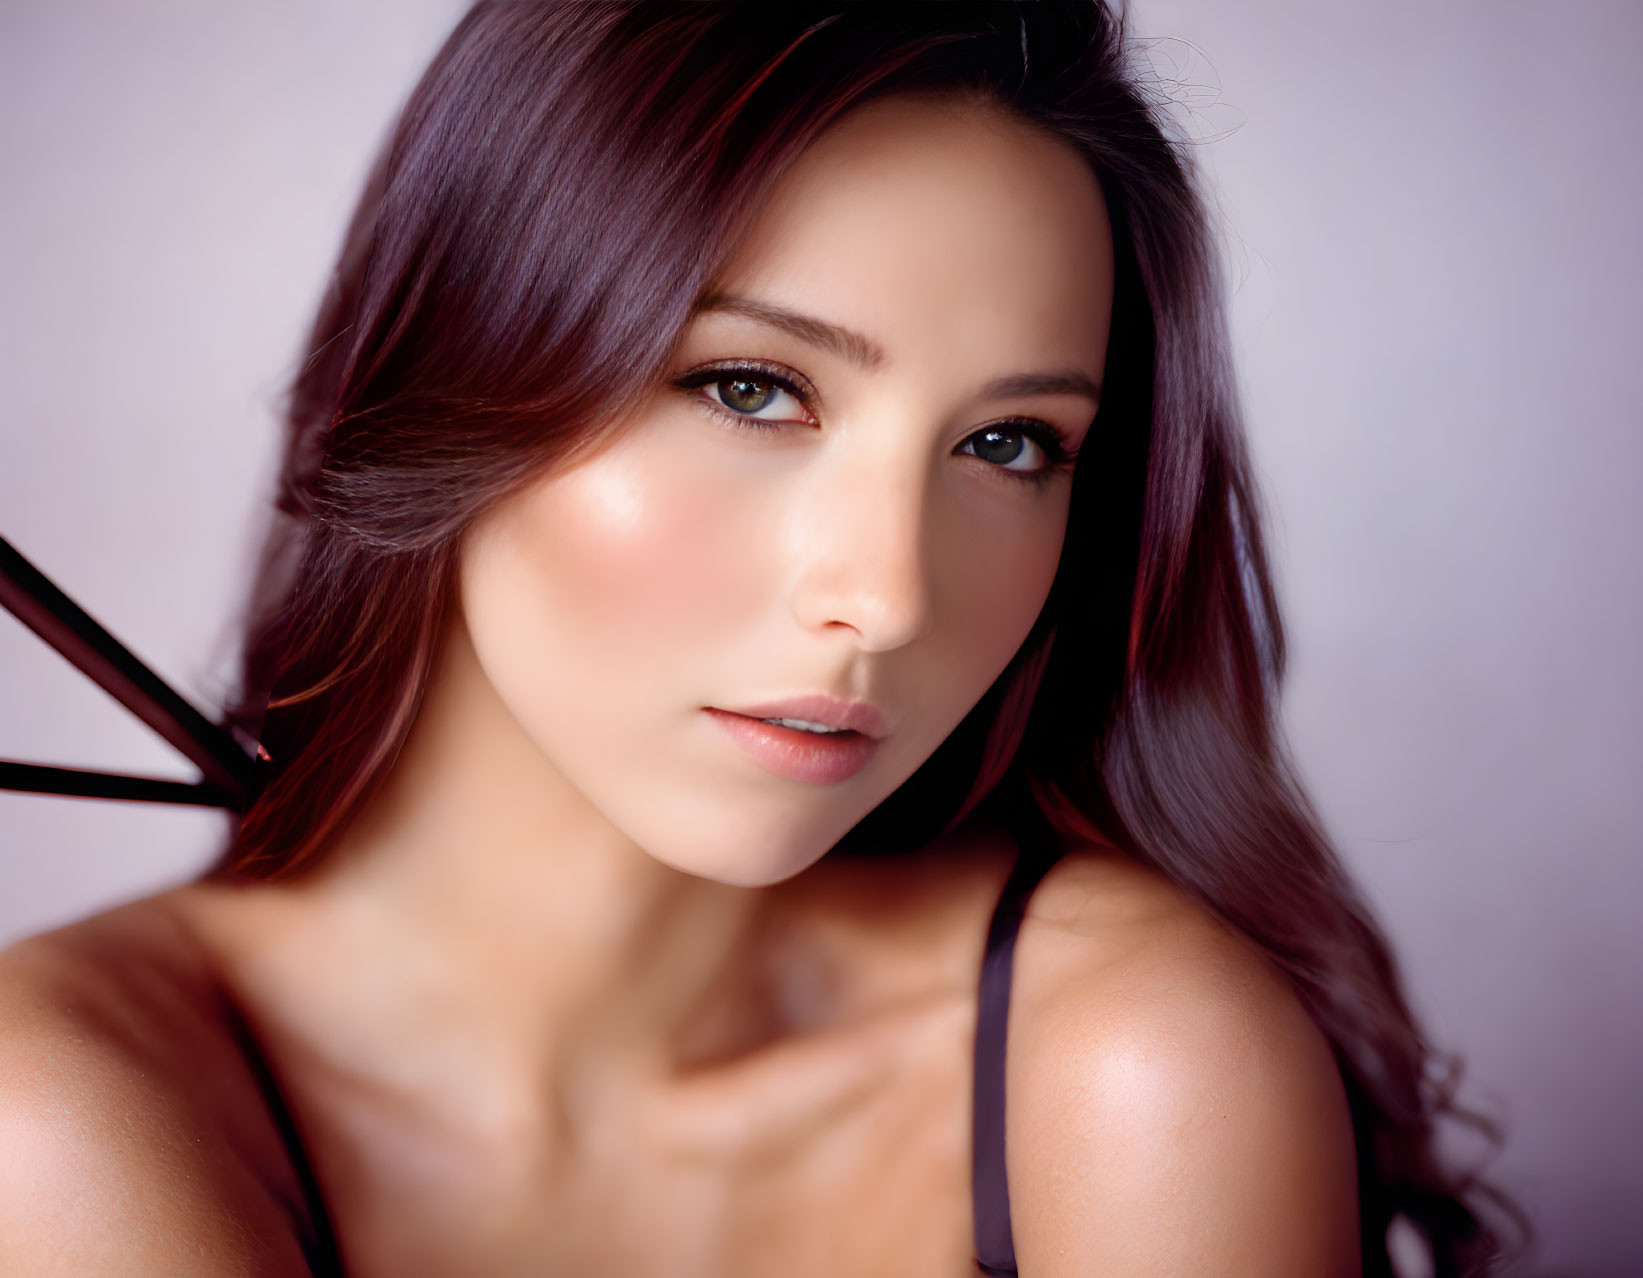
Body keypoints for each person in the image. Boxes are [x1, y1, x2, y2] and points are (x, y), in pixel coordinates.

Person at [0, 3, 1518, 1275]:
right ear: (455, 362)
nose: (892, 596)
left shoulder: (1133, 1069)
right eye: (751, 389)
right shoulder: (67, 1109)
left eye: (1007, 444)